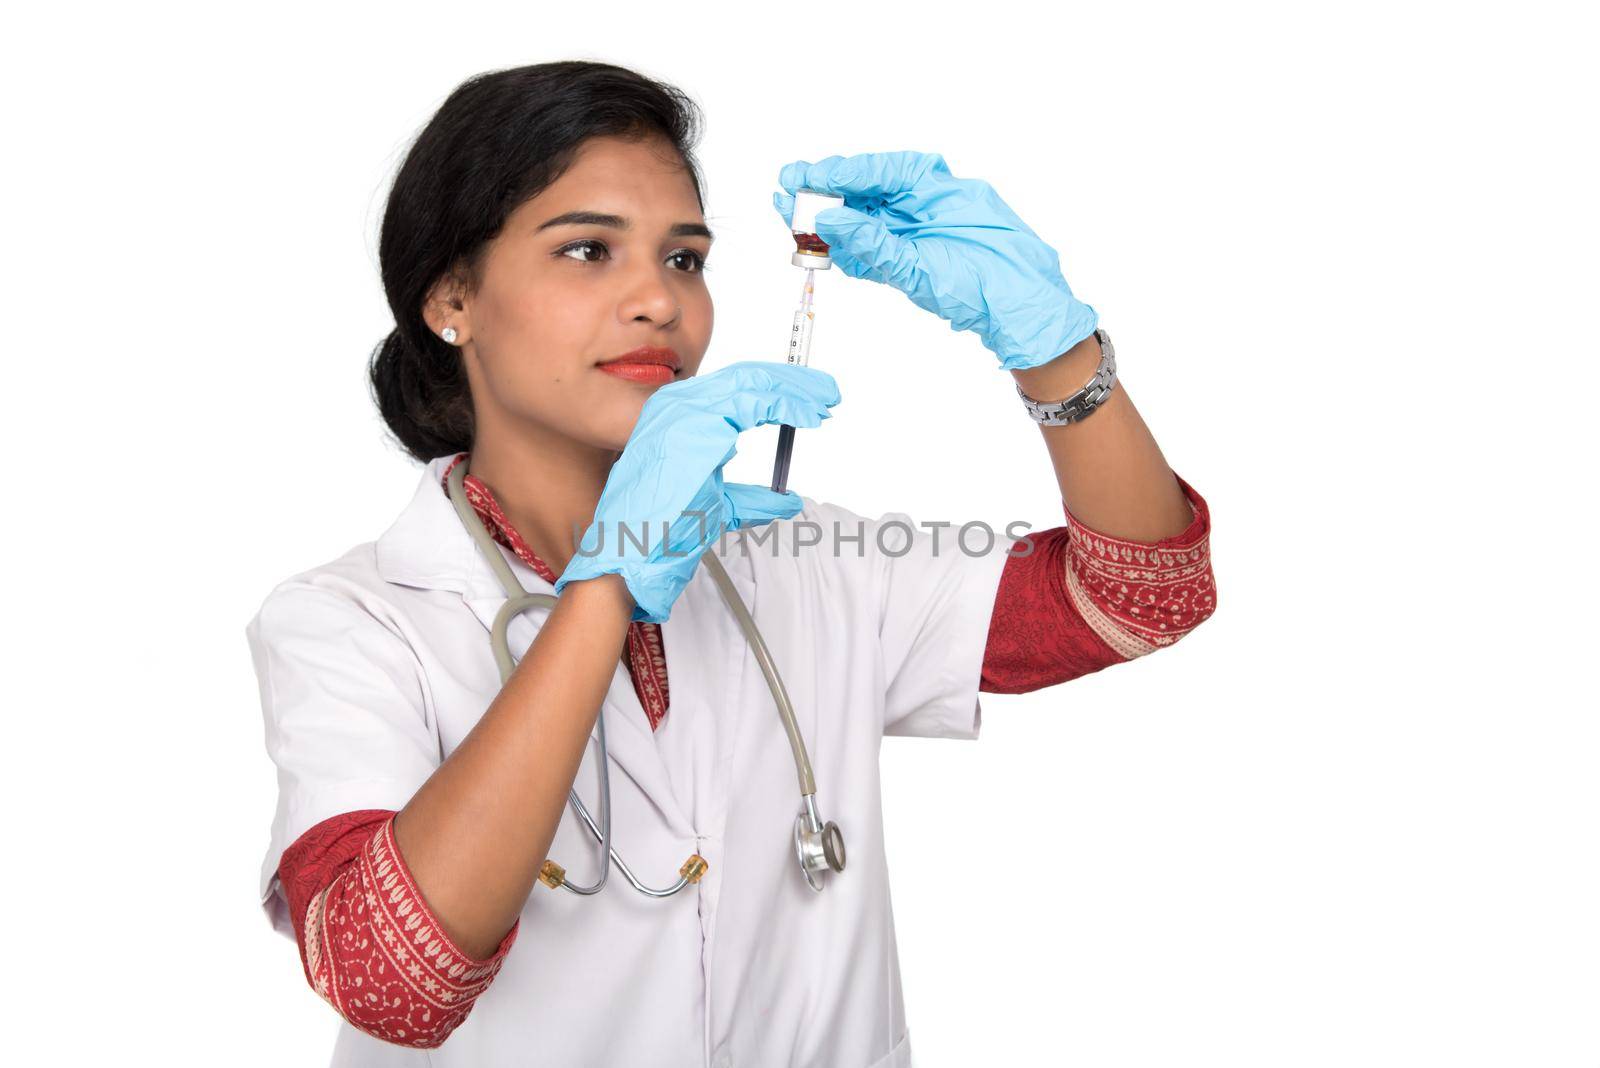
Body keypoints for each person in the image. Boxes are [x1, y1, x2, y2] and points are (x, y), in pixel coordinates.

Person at [247, 60, 1217, 1068]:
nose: (657, 302)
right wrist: (606, 586)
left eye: (683, 259)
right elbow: (387, 980)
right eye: (587, 249)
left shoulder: (805, 564)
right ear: (453, 298)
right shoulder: (350, 621)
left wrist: (1057, 352)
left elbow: (1140, 596)